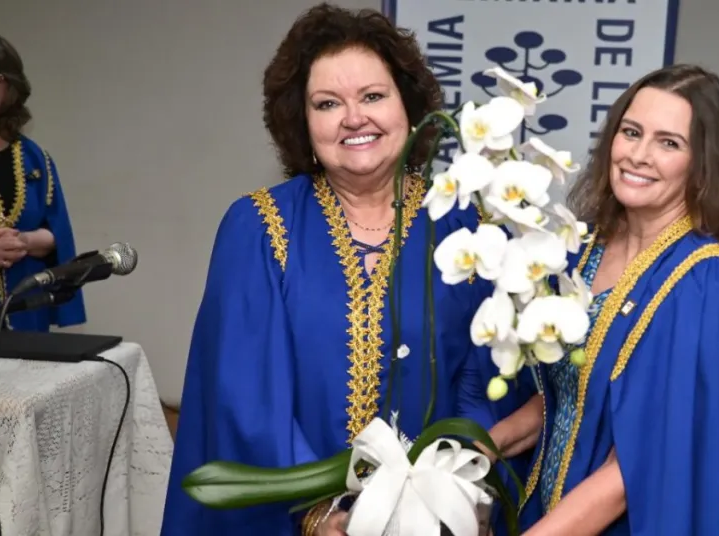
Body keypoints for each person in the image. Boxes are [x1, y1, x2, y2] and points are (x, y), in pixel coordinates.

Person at [162, 5, 527, 535]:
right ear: (303, 123)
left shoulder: (467, 226)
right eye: (328, 103)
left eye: (373, 96)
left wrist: (456, 488)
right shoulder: (258, 227)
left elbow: (486, 381)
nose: (354, 118)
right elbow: (245, 398)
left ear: (409, 106)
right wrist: (319, 513)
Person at [487, 64, 719, 535]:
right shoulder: (584, 252)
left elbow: (633, 470)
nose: (639, 155)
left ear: (702, 164)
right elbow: (571, 397)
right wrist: (472, 451)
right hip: (549, 511)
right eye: (631, 132)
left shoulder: (705, 284)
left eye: (668, 143)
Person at [0, 34, 85, 331]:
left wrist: (23, 242)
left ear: (9, 86)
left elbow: (57, 234)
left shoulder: (35, 159)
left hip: (26, 316)